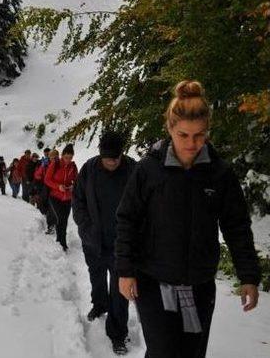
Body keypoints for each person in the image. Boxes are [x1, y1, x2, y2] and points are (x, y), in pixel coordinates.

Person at [115, 81, 260, 358]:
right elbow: (127, 219)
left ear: (207, 132)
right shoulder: (149, 170)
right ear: (170, 129)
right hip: (154, 281)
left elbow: (236, 226)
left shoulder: (219, 174)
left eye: (199, 135)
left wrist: (249, 276)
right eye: (183, 135)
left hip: (200, 284)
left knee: (192, 353)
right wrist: (125, 270)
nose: (191, 144)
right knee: (163, 352)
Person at [72, 131, 136, 355]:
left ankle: (118, 334)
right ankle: (99, 305)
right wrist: (86, 227)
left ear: (122, 154)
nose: (111, 162)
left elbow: (145, 204)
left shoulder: (133, 170)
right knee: (96, 277)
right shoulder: (89, 169)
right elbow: (77, 201)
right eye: (107, 158)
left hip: (122, 244)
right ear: (100, 155)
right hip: (94, 241)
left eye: (115, 159)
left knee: (120, 292)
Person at [44, 144, 77, 251]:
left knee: (65, 220)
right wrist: (58, 186)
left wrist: (73, 186)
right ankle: (61, 242)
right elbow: (47, 180)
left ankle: (62, 240)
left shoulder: (73, 166)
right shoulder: (55, 164)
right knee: (60, 219)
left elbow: (77, 181)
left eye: (70, 158)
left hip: (67, 198)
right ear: (62, 155)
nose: (68, 160)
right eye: (66, 157)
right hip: (55, 197)